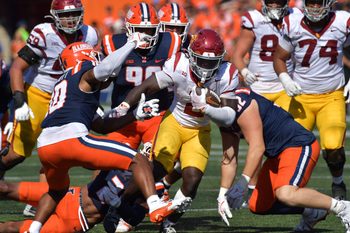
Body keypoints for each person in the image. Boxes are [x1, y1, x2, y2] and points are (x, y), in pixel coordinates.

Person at [25, 38, 190, 233]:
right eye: (93, 57)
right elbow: (104, 70)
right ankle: (155, 205)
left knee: (55, 191)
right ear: (82, 58)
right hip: (70, 140)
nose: (97, 59)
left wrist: (134, 115)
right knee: (137, 159)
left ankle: (34, 229)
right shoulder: (81, 70)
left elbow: (102, 125)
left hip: (46, 148)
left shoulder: (67, 86)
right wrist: (130, 44)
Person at [117, 28, 239, 233]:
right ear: (191, 56)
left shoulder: (227, 73)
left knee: (192, 180)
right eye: (201, 61)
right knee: (156, 169)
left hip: (199, 130)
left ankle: (169, 222)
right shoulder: (179, 64)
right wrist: (124, 106)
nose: (206, 68)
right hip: (174, 121)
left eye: (211, 62)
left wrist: (207, 109)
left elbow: (230, 115)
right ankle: (121, 205)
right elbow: (148, 86)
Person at [5, 0, 100, 216]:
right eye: (65, 15)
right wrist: (20, 100)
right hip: (39, 93)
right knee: (16, 154)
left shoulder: (90, 34)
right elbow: (17, 68)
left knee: (58, 150)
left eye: (75, 14)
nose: (70, 19)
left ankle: (40, 199)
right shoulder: (44, 34)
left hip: (69, 98)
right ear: (54, 16)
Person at [221, 87, 350, 232]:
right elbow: (229, 158)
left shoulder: (243, 104)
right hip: (276, 154)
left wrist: (242, 182)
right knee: (257, 205)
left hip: (298, 144)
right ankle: (312, 210)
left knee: (286, 193)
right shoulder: (224, 111)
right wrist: (221, 196)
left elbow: (257, 148)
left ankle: (343, 208)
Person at [273, 0, 349, 200]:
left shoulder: (343, 22)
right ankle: (287, 189)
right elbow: (279, 57)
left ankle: (338, 182)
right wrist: (285, 78)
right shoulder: (292, 23)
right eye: (311, 3)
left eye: (318, 3)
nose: (314, 7)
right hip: (301, 97)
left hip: (332, 96)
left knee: (333, 147)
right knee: (288, 147)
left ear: (329, 4)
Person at [0, 167, 167, 233]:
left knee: (13, 228)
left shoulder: (152, 191)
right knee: (6, 188)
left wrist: (118, 204)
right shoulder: (126, 163)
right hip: (67, 194)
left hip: (76, 219)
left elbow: (121, 222)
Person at [0, 60, 13, 157]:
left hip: (3, 106)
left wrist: (12, 119)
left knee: (3, 144)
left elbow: (13, 96)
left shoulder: (6, 75)